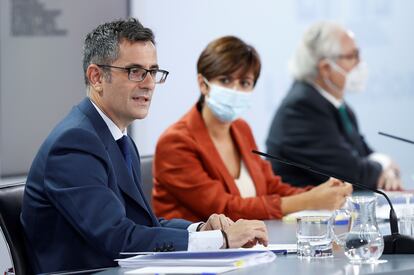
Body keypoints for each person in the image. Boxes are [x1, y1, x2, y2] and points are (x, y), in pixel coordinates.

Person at [20, 19, 269, 274]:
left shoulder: (118, 139)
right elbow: (119, 240)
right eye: (135, 71)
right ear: (96, 77)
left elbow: (144, 224)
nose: (149, 83)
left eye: (153, 71)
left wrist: (201, 229)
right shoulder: (74, 143)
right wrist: (222, 241)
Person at [152, 36, 352, 222]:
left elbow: (271, 187)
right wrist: (310, 201)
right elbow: (223, 208)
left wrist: (322, 193)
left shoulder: (241, 128)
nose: (235, 90)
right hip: (193, 255)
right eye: (225, 80)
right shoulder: (175, 142)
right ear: (203, 84)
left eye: (245, 82)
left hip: (243, 247)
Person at [266, 21, 402, 191]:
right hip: (301, 215)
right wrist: (384, 164)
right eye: (352, 56)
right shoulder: (301, 108)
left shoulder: (339, 106)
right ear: (325, 68)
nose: (360, 63)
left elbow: (365, 155)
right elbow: (352, 175)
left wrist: (385, 170)